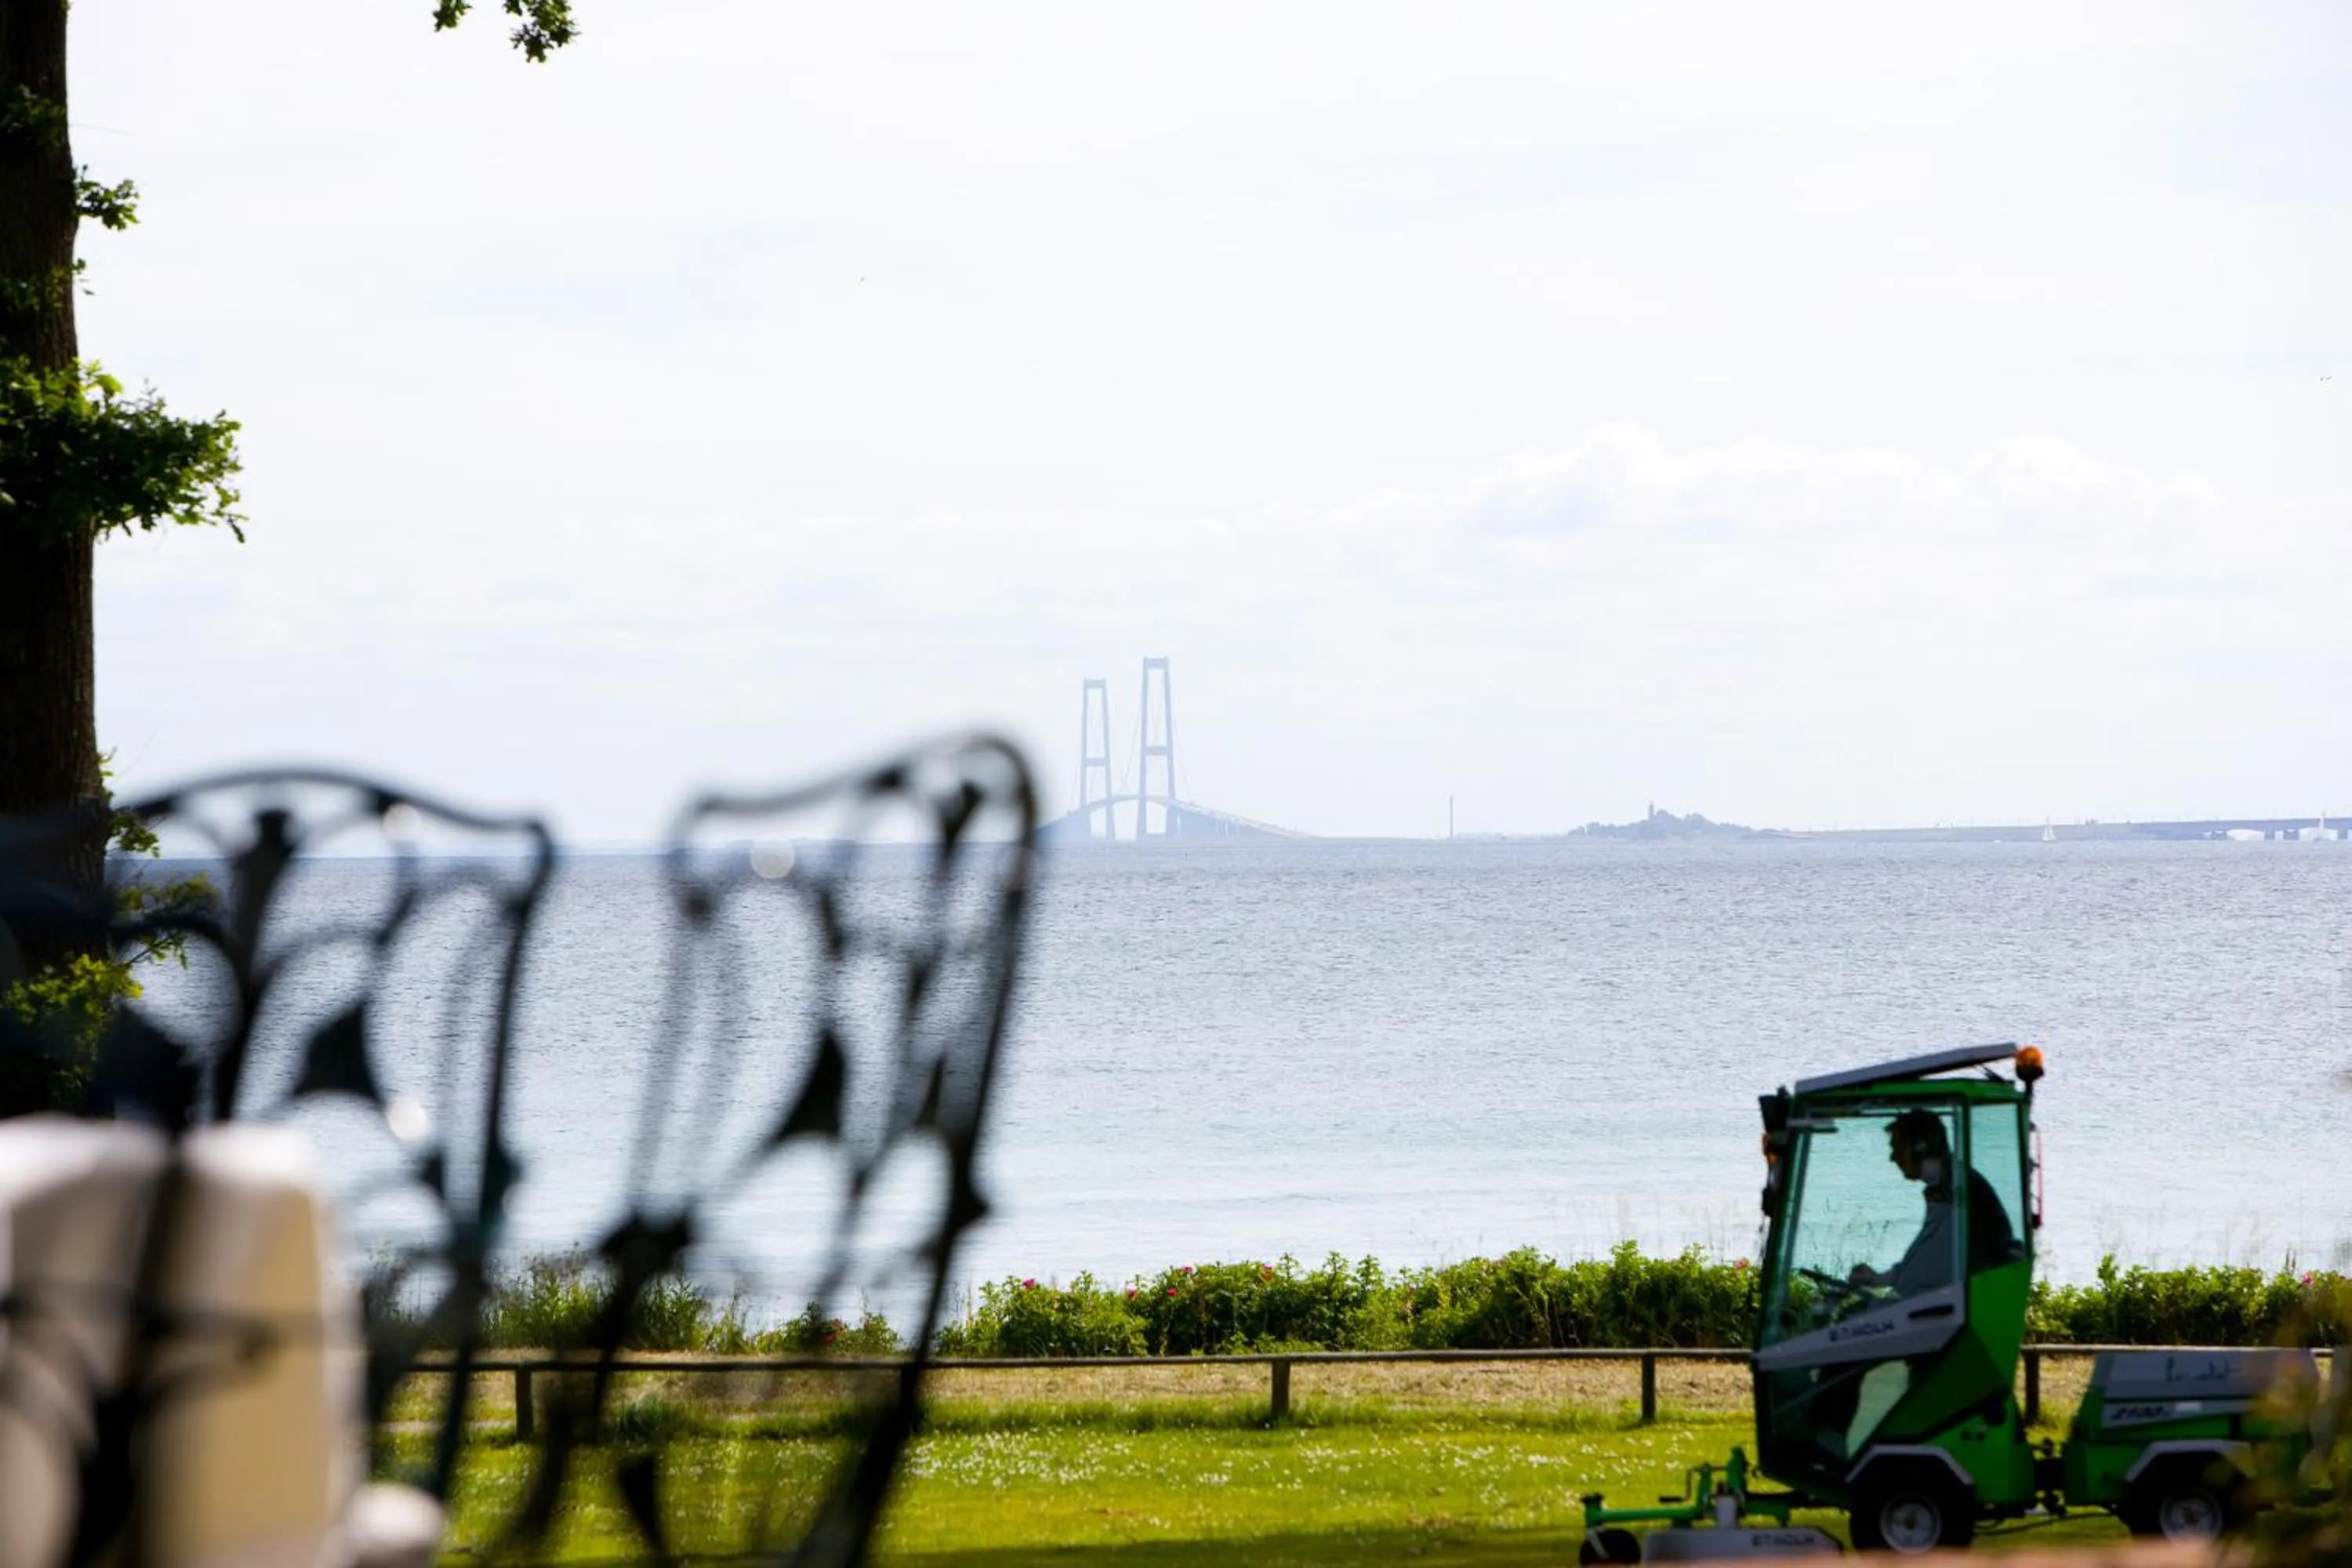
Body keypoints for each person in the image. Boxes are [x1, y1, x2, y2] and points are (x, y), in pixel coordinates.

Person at [1847, 1108, 2018, 1296]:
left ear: (1920, 1147)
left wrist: (1881, 1282)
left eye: (1897, 1147)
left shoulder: (1955, 1191)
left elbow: (1933, 1271)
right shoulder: (1948, 1184)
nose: (1892, 1157)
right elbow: (1928, 1260)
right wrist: (1877, 1279)